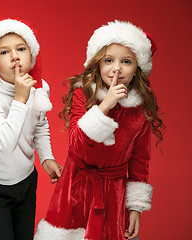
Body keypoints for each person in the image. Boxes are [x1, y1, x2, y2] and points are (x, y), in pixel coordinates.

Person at [34, 20, 165, 240]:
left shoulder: (140, 108)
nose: (117, 68)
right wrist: (106, 105)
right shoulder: (82, 95)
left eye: (126, 61)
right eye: (108, 60)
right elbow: (76, 144)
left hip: (113, 194)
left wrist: (135, 207)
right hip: (74, 190)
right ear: (97, 64)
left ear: (137, 69)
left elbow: (140, 160)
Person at [0, 19, 63, 240]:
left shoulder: (40, 87)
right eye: (4, 52)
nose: (14, 56)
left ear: (31, 54)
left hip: (25, 181)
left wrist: (46, 157)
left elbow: (40, 123)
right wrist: (20, 100)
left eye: (21, 49)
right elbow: (4, 143)